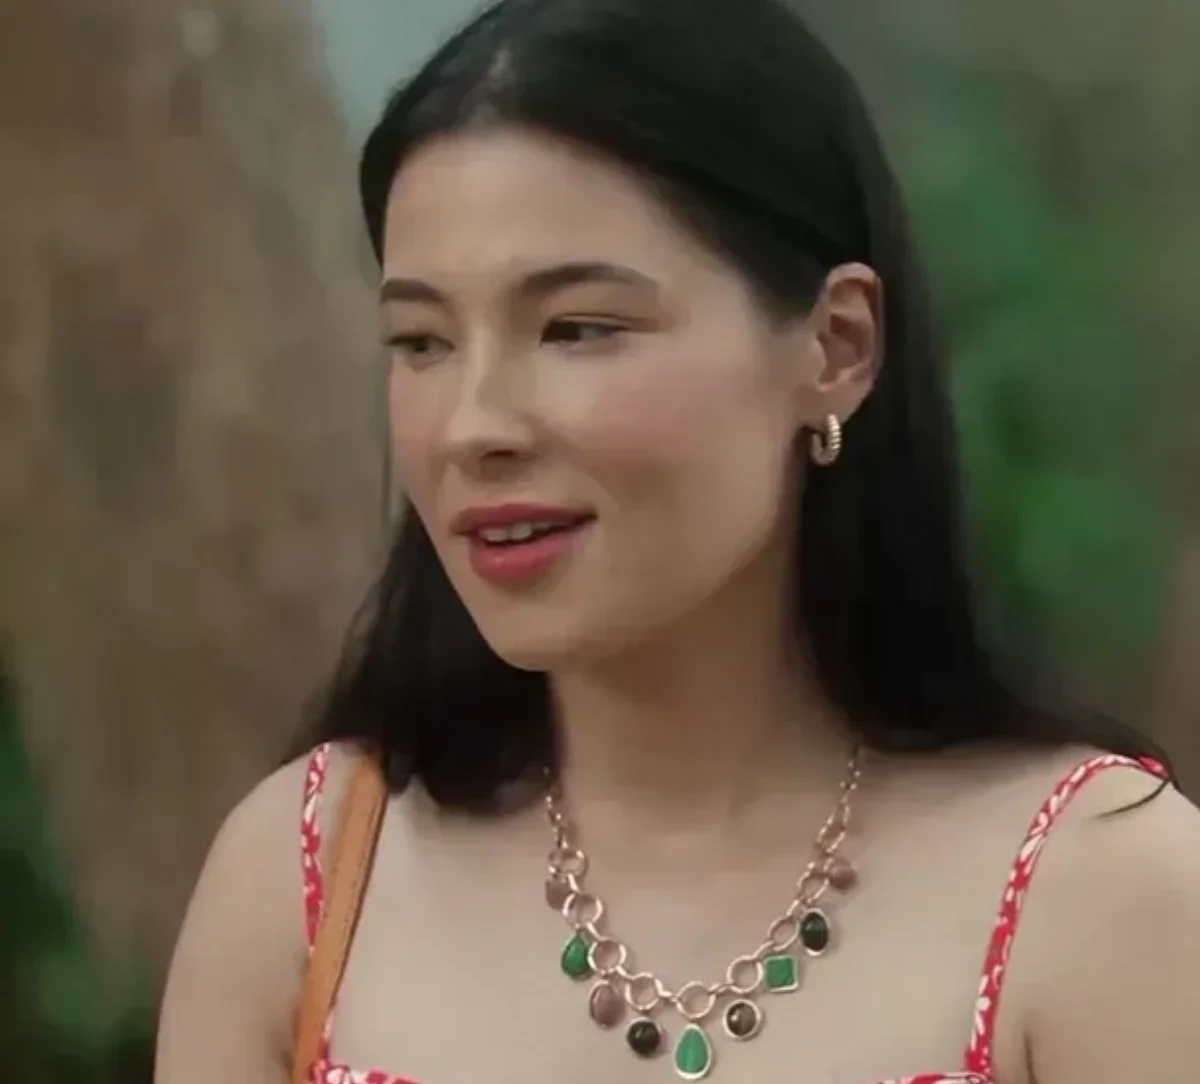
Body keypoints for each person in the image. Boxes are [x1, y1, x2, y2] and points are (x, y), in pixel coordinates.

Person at [155, 1, 1200, 1082]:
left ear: (836, 346)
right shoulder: (308, 879)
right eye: (421, 342)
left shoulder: (1102, 896)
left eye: (578, 328)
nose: (472, 426)